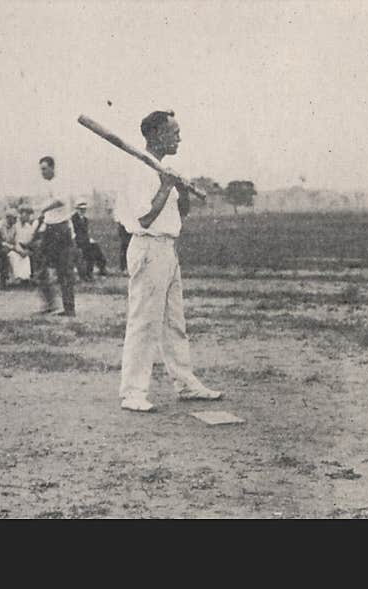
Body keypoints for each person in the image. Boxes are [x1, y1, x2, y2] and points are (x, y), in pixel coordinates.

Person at [114, 110, 223, 412]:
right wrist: (165, 185)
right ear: (155, 135)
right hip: (148, 248)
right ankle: (133, 392)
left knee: (174, 322)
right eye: (173, 132)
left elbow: (178, 213)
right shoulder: (138, 171)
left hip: (168, 249)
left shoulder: (163, 168)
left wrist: (180, 187)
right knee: (144, 322)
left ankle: (185, 383)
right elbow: (145, 219)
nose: (179, 137)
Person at [33, 156, 76, 316]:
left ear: (52, 168)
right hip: (50, 228)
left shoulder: (60, 182)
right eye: (41, 169)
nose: (42, 172)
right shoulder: (47, 186)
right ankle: (49, 304)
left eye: (44, 169)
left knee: (64, 270)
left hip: (61, 228)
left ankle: (69, 308)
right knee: (40, 265)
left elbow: (61, 200)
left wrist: (43, 209)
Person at [71, 199, 108, 280]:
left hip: (84, 241)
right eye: (81, 209)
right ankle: (88, 274)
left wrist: (89, 239)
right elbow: (73, 232)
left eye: (84, 209)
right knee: (89, 252)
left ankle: (101, 270)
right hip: (76, 242)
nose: (83, 211)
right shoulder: (73, 219)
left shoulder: (85, 220)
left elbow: (85, 233)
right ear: (77, 209)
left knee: (96, 249)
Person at [10, 204, 37, 282]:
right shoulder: (15, 226)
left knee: (29, 255)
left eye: (29, 214)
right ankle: (18, 278)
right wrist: (19, 250)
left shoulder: (29, 226)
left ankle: (28, 278)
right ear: (20, 214)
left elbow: (30, 240)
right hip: (15, 248)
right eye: (25, 214)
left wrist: (28, 249)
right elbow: (12, 240)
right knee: (15, 256)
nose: (27, 216)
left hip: (26, 247)